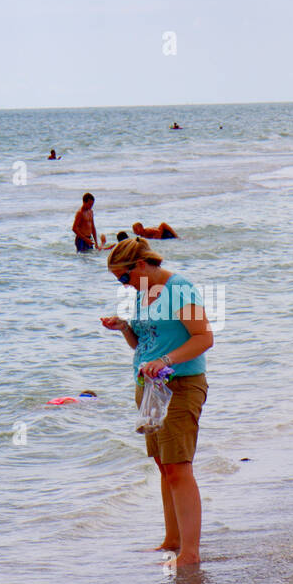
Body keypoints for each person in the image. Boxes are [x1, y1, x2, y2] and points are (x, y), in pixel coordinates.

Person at [100, 238, 213, 567]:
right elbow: (144, 342)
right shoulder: (141, 293)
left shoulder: (180, 289)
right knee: (165, 467)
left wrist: (166, 360)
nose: (124, 285)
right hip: (150, 387)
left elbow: (204, 337)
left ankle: (190, 553)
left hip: (180, 385)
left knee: (179, 467)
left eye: (124, 277)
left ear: (140, 265)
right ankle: (172, 540)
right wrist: (123, 327)